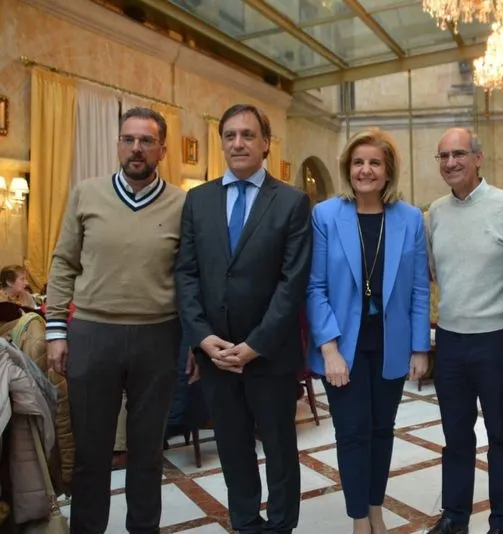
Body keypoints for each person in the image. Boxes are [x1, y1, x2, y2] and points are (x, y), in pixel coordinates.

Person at [45, 107, 185, 533]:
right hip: (93, 334)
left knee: (147, 453)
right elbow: (63, 262)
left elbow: (191, 275)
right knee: (91, 453)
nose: (136, 148)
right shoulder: (86, 193)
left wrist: (195, 340)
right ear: (118, 145)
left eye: (146, 141)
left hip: (158, 336)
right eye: (128, 139)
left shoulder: (183, 203)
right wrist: (55, 330)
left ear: (162, 150)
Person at [175, 104, 311, 533]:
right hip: (216, 355)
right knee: (233, 449)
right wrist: (202, 337)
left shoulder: (291, 202)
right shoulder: (198, 200)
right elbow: (186, 274)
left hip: (270, 354)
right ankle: (246, 523)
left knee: (280, 450)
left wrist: (255, 345)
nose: (238, 143)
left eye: (248, 135)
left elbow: (292, 283)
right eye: (230, 135)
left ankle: (281, 526)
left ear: (266, 143)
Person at [307, 128, 430, 534]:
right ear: (348, 168)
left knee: (381, 430)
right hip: (343, 345)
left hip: (390, 343)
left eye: (375, 162)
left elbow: (418, 288)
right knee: (352, 433)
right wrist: (329, 349)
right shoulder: (326, 215)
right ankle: (360, 518)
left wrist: (420, 348)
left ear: (388, 170)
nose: (366, 170)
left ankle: (376, 507)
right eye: (358, 162)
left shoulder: (409, 219)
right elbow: (315, 287)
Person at [425, 128, 503, 534]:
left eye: (459, 154)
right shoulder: (434, 213)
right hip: (450, 340)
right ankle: (455, 517)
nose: (451, 163)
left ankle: (502, 522)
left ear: (478, 158)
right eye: (444, 156)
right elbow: (435, 273)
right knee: (455, 436)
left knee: (501, 435)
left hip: (499, 338)